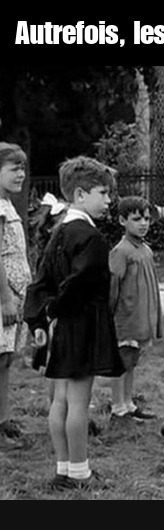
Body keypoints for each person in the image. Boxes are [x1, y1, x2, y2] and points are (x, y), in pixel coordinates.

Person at [24, 156, 125, 490]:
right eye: (103, 193)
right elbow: (79, 283)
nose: (109, 200)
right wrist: (55, 309)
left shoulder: (58, 232)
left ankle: (63, 469)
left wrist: (41, 319)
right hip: (81, 324)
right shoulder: (90, 237)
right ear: (80, 194)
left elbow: (40, 283)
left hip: (60, 328)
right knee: (78, 402)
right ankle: (80, 473)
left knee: (60, 400)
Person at [109, 196, 162, 422]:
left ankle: (129, 403)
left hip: (140, 316)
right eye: (137, 219)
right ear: (123, 221)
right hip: (125, 317)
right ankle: (117, 407)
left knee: (131, 361)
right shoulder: (121, 251)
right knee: (121, 361)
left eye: (147, 219)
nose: (143, 224)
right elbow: (113, 286)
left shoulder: (145, 250)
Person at [0, 142, 33, 451]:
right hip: (4, 296)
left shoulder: (7, 204)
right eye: (14, 168)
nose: (20, 174)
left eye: (22, 168)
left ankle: (4, 419)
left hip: (16, 292)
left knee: (6, 358)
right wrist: (5, 300)